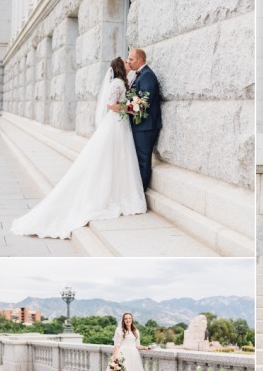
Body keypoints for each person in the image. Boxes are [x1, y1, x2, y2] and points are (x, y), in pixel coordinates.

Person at [11, 57, 145, 239]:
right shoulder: (117, 84)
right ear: (121, 67)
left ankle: (118, 191)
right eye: (126, 61)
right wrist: (130, 108)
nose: (128, 62)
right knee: (114, 156)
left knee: (119, 157)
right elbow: (110, 105)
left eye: (130, 60)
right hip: (115, 124)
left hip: (119, 125)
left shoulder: (123, 82)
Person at [126, 46, 163, 192]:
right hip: (140, 126)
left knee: (143, 161)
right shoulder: (140, 74)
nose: (129, 62)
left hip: (145, 127)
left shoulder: (147, 75)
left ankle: (140, 194)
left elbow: (143, 103)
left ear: (140, 59)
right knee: (139, 160)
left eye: (131, 59)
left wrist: (124, 108)